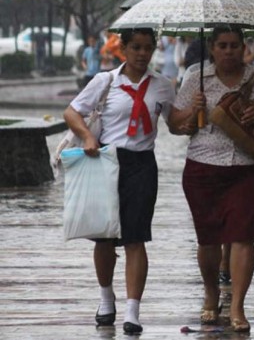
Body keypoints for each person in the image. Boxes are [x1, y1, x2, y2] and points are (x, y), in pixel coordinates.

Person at [168, 27, 254, 333]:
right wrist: (190, 114)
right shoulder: (195, 77)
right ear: (213, 49)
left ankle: (237, 305)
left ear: (243, 47)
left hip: (250, 167)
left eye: (234, 45)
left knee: (243, 236)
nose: (229, 51)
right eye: (222, 45)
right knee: (208, 239)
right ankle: (211, 292)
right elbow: (174, 124)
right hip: (203, 166)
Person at [63, 28, 175, 335]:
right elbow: (72, 111)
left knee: (136, 238)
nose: (142, 53)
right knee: (104, 238)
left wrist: (195, 113)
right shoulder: (105, 81)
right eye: (135, 47)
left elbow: (177, 125)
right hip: (106, 161)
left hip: (142, 165)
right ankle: (106, 297)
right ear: (122, 48)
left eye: (147, 48)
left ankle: (133, 311)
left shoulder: (162, 86)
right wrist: (87, 136)